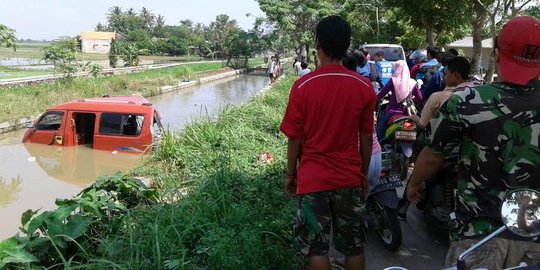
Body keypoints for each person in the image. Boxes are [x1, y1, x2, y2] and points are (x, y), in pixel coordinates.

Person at [406, 16, 540, 269]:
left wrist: (414, 183)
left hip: (479, 236)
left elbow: (433, 155)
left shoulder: (466, 100)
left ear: (498, 54)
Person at [280, 15, 375, 270]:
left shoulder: (303, 86)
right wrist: (362, 174)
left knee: (317, 249)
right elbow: (366, 137)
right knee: (354, 245)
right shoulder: (363, 86)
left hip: (312, 181)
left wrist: (291, 174)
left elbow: (295, 138)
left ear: (317, 45)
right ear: (346, 46)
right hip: (349, 178)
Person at [397, 56, 476, 220]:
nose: (444, 77)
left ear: (455, 75)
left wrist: (416, 119)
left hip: (443, 151)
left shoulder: (438, 97)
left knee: (421, 159)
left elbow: (425, 125)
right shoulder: (479, 94)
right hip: (468, 152)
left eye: (446, 74)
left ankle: (403, 207)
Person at [376, 60, 423, 141]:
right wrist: (411, 98)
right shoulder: (412, 82)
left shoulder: (393, 81)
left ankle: (378, 147)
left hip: (391, 112)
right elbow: (420, 98)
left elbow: (382, 94)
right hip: (408, 113)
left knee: (379, 133)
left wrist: (375, 98)